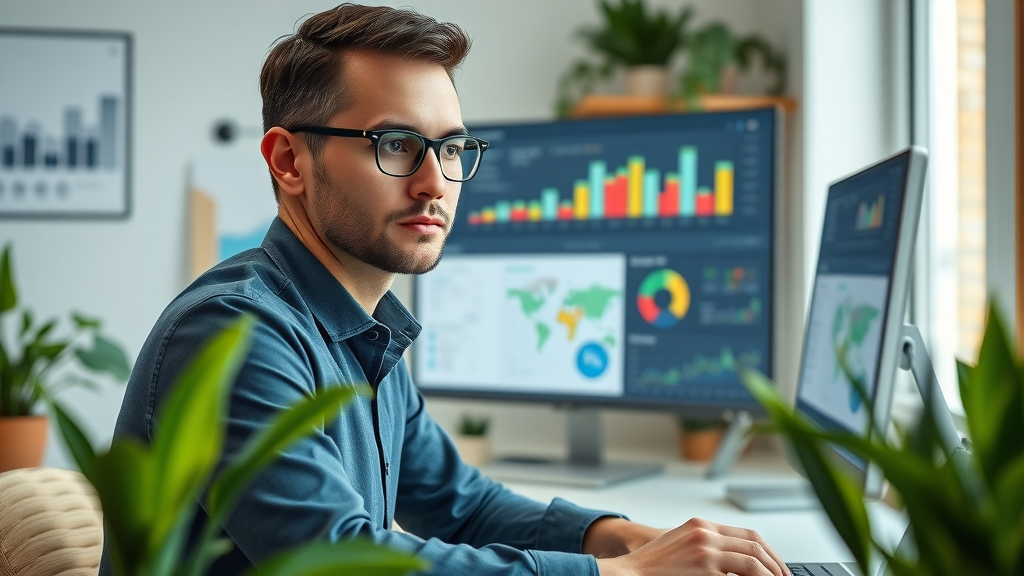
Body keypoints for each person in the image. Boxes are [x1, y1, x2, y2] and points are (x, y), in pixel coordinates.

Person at [105, 4, 791, 575]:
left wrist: (613, 537)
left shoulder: (362, 332)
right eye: (397, 144)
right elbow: (341, 561)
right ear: (289, 161)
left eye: (453, 148)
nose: (435, 181)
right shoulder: (236, 334)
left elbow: (461, 505)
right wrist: (616, 575)